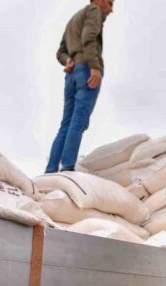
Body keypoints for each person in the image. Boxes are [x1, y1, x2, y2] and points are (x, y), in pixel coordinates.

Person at [44, 0, 114, 173]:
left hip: (71, 73)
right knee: (78, 121)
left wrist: (67, 59)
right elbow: (88, 37)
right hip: (86, 71)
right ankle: (67, 168)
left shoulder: (73, 19)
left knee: (66, 124)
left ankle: (51, 170)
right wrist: (95, 68)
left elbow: (60, 51)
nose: (111, 10)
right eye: (110, 3)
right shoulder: (93, 10)